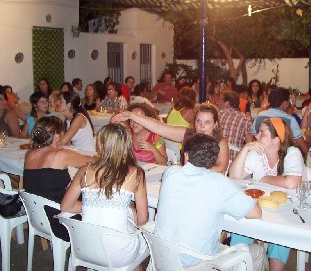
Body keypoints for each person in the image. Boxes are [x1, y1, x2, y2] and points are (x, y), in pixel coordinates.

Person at [155, 133, 266, 270]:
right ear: (214, 161)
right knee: (257, 251)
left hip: (161, 258)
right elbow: (256, 213)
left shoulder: (170, 173)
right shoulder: (219, 184)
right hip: (195, 264)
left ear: (186, 155)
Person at [61, 123, 149, 269]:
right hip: (117, 253)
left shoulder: (85, 170)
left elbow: (66, 206)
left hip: (84, 247)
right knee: (141, 247)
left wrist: (95, 206)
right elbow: (142, 220)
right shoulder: (136, 173)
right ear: (127, 145)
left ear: (100, 145)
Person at [229, 117, 303, 271]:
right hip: (260, 207)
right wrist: (245, 149)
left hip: (286, 210)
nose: (256, 136)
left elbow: (291, 182)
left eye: (262, 133)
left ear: (276, 139)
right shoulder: (257, 153)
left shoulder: (292, 152)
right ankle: (239, 265)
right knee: (242, 225)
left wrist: (265, 178)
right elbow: (235, 176)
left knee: (280, 233)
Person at [24, 116, 94, 241]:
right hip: (60, 220)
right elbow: (91, 161)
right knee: (100, 201)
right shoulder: (60, 155)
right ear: (57, 135)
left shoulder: (30, 154)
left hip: (38, 216)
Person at [113, 103, 229, 173]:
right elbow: (158, 127)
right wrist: (131, 115)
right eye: (199, 121)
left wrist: (190, 170)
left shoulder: (220, 142)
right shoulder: (188, 135)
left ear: (215, 124)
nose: (202, 126)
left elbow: (221, 168)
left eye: (207, 122)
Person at [254, 87, 308, 155]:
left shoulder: (259, 116)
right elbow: (302, 146)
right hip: (283, 158)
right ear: (285, 103)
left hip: (261, 155)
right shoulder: (290, 120)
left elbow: (254, 138)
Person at [219, 91, 253, 161]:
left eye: (221, 101)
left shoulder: (218, 115)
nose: (219, 103)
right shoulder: (245, 119)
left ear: (227, 103)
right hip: (235, 159)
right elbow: (249, 144)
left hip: (218, 156)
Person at [166, 87, 196, 161]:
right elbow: (196, 129)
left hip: (168, 146)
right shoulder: (190, 112)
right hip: (180, 149)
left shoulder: (173, 110)